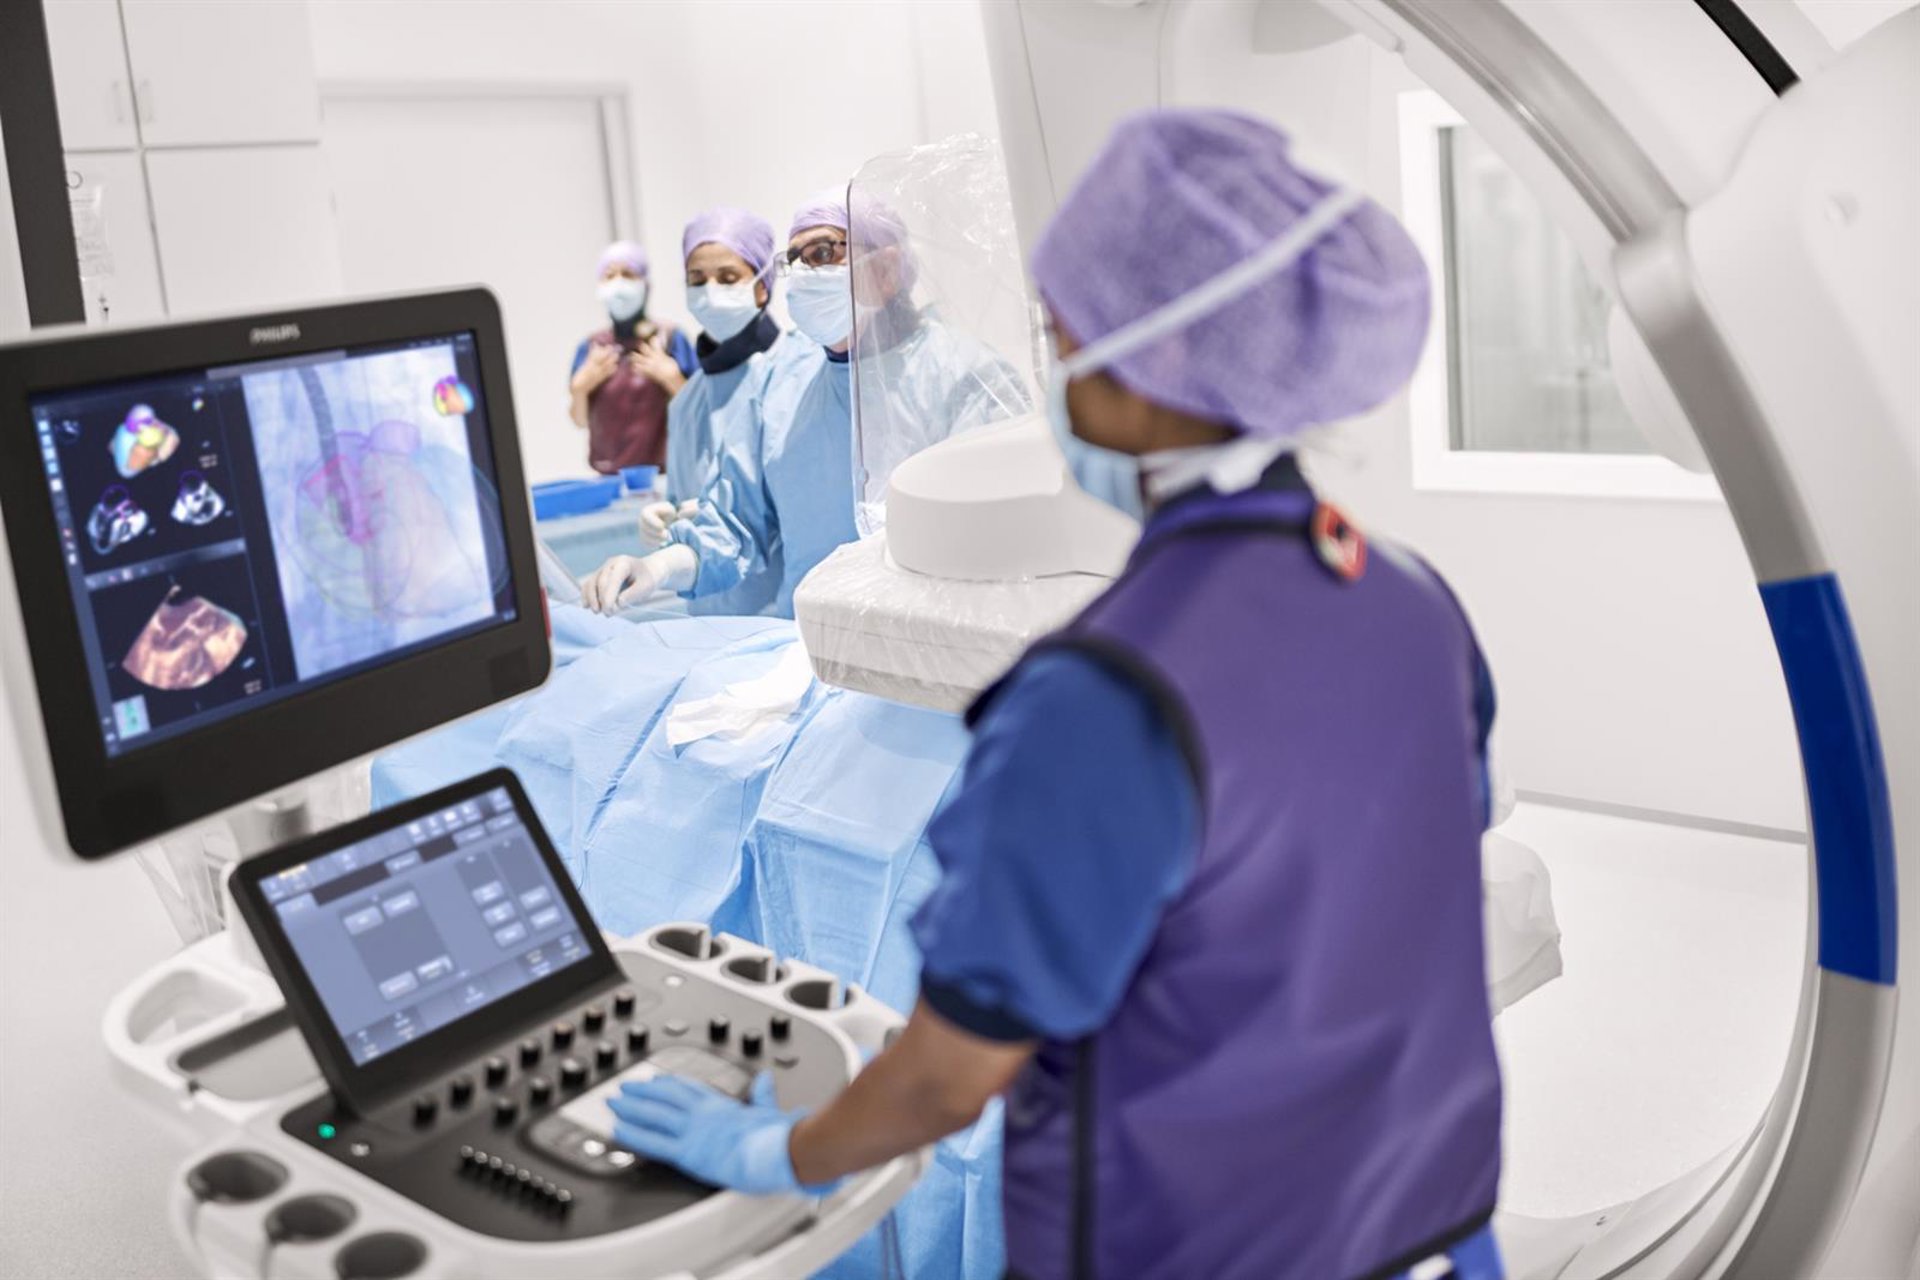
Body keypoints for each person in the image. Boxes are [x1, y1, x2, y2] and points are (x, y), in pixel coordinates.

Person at [597, 109, 1506, 1280]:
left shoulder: (1107, 697)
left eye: (1066, 337)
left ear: (1155, 369)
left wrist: (778, 1150)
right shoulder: (1410, 598)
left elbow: (949, 1074)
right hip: (1434, 1227)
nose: (1057, 377)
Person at [581, 189, 1029, 618]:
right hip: (806, 643)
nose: (804, 274)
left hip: (933, 638)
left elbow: (1000, 538)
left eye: (822, 253)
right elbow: (735, 525)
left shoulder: (967, 378)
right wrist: (659, 568)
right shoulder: (778, 385)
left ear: (887, 269)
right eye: (794, 260)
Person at [629, 207, 787, 616]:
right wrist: (666, 520)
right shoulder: (687, 402)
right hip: (709, 616)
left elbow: (817, 508)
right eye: (697, 280)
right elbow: (682, 497)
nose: (710, 291)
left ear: (762, 287)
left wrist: (731, 518)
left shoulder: (793, 377)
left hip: (782, 616)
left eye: (728, 278)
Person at [568, 240, 699, 475]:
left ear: (645, 284)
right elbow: (580, 420)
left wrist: (673, 379)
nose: (618, 284)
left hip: (665, 476)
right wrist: (579, 389)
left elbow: (700, 410)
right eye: (609, 276)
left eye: (628, 274)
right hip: (609, 477)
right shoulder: (593, 347)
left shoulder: (669, 339)